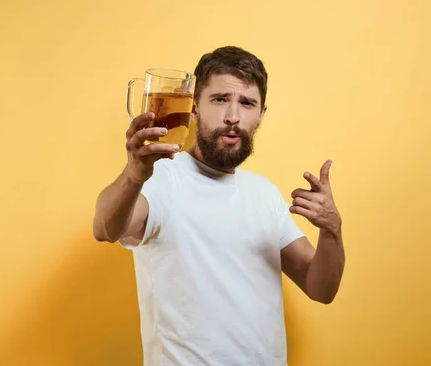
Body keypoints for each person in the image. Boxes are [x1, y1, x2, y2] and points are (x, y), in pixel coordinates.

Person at [92, 46, 345, 365]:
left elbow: (320, 288)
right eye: (220, 99)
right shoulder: (161, 178)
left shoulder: (263, 192)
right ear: (194, 108)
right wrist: (133, 175)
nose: (233, 117)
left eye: (247, 103)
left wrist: (332, 230)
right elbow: (104, 228)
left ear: (261, 115)